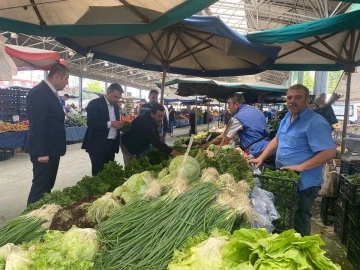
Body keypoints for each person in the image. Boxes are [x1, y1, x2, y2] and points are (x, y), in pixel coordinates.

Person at [249, 84, 336, 236]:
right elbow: (277, 140)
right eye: (289, 97)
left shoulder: (316, 122)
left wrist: (301, 167)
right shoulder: (287, 117)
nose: (292, 101)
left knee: (300, 217)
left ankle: (303, 250)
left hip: (304, 183)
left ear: (307, 100)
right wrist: (261, 157)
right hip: (286, 179)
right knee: (285, 216)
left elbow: (329, 152)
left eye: (298, 97)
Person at [25, 63, 69, 205]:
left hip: (51, 149)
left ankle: (40, 215)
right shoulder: (40, 92)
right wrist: (42, 152)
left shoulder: (50, 93)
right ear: (57, 76)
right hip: (44, 152)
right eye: (66, 79)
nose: (67, 83)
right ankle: (29, 220)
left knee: (47, 186)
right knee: (40, 187)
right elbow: (38, 124)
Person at [202, 93, 270, 158]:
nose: (228, 107)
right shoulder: (256, 110)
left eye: (229, 104)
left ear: (236, 104)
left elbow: (223, 138)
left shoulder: (238, 117)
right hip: (268, 147)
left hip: (256, 151)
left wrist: (207, 145)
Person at [82, 83, 124, 176]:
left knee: (109, 172)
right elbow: (91, 123)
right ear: (108, 93)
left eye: (119, 98)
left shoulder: (116, 106)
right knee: (98, 173)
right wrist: (111, 124)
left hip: (112, 144)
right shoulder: (95, 104)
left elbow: (115, 121)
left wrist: (120, 125)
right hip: (98, 144)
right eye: (115, 97)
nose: (117, 100)